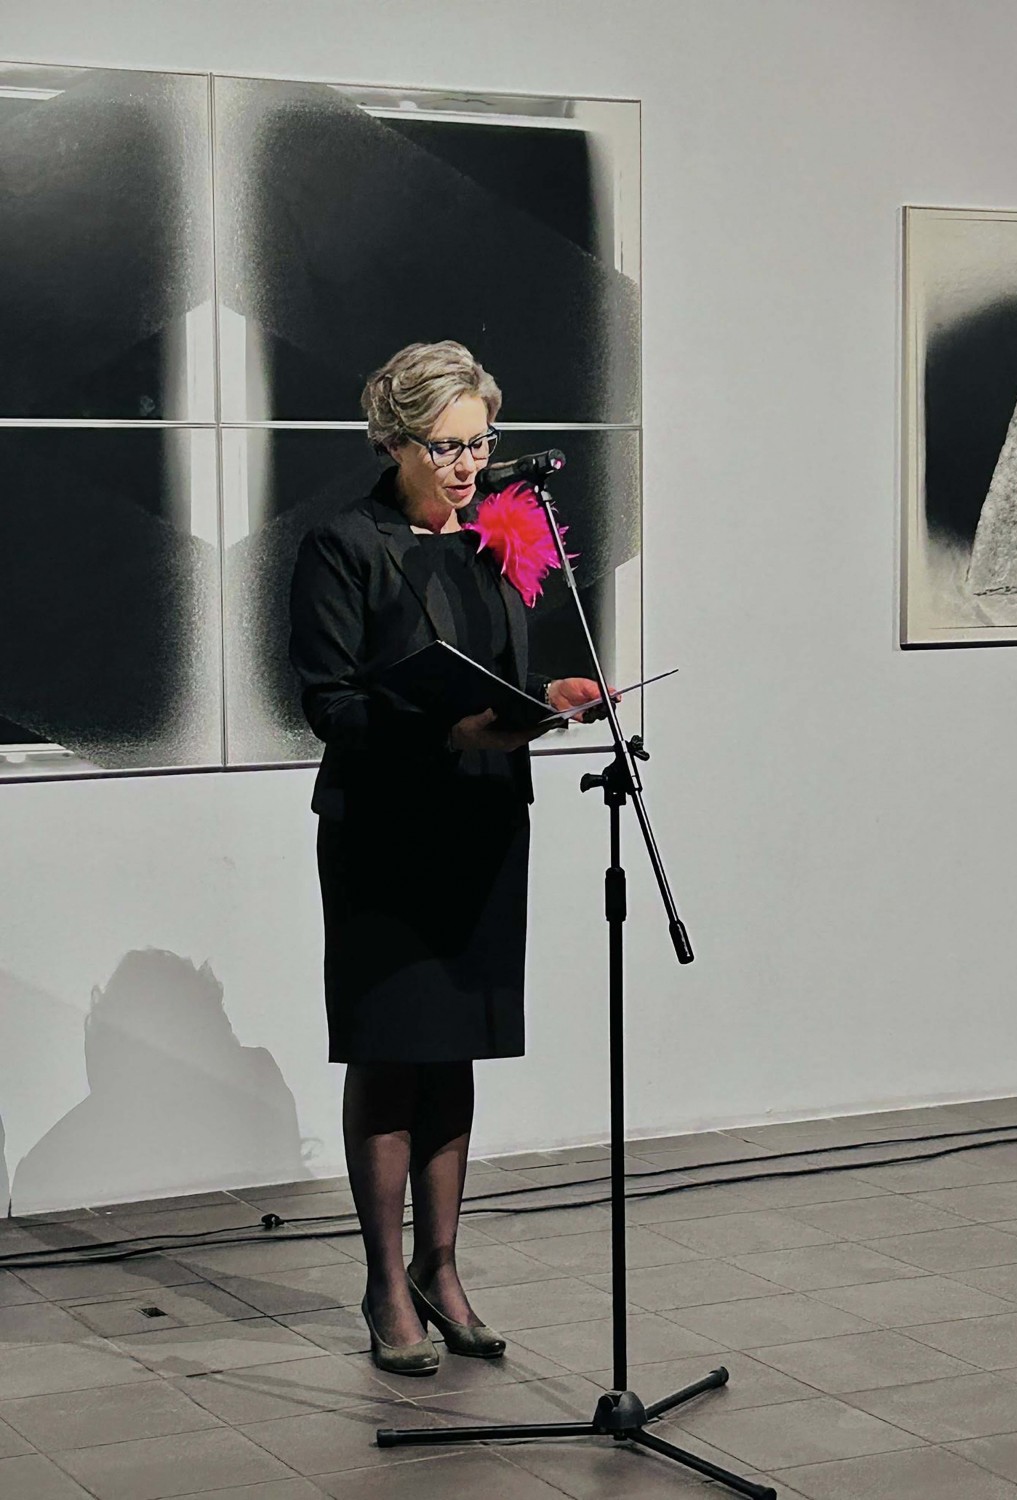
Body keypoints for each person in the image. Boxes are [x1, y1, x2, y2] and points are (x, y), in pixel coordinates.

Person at [289, 341, 602, 1375]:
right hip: (385, 831)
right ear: (393, 442)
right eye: (445, 446)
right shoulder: (345, 545)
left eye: (479, 442)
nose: (468, 464)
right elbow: (328, 703)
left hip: (480, 821)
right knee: (392, 1049)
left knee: (454, 1047)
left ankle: (441, 1266)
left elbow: (497, 677)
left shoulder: (500, 538)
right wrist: (446, 731)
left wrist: (546, 698)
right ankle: (386, 1285)